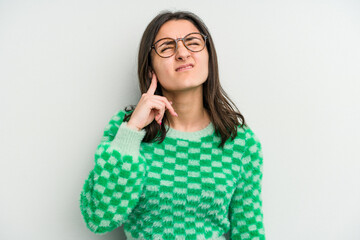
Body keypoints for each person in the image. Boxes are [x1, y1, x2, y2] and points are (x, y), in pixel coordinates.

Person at [80, 10, 266, 240]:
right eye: (167, 47)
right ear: (151, 69)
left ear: (209, 56)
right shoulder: (126, 130)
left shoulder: (240, 142)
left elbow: (250, 232)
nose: (182, 53)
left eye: (193, 42)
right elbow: (99, 218)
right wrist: (132, 132)